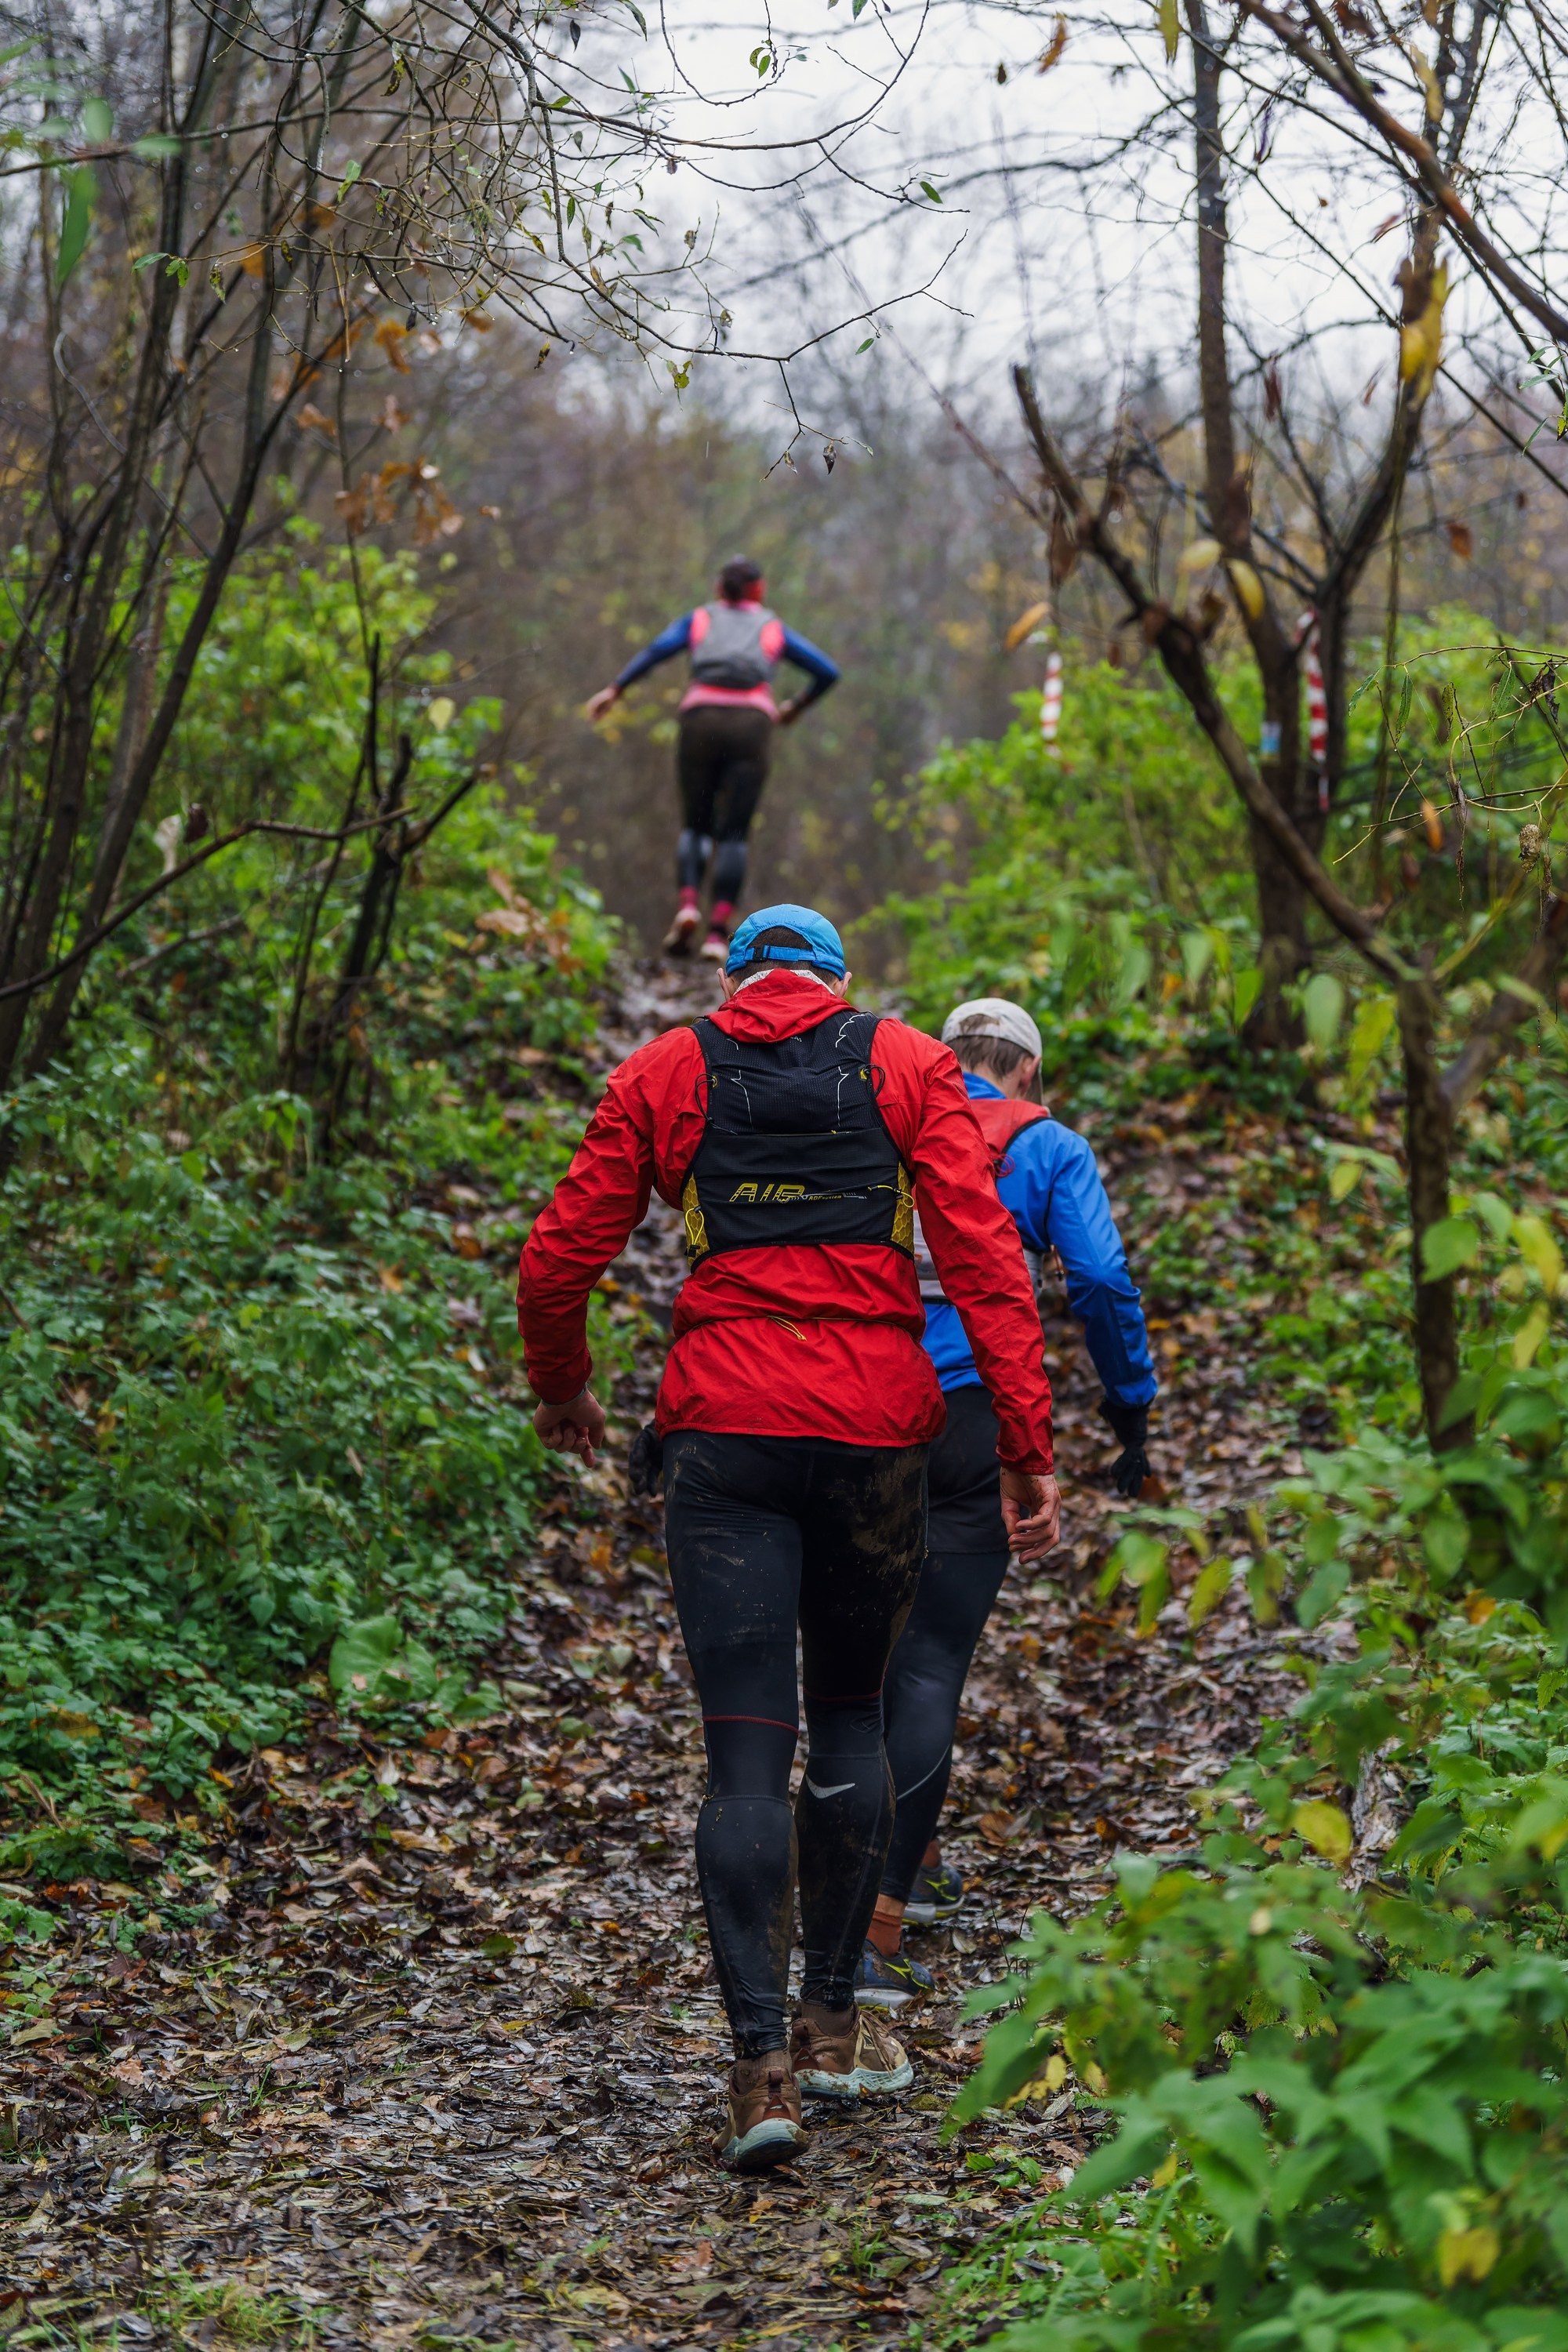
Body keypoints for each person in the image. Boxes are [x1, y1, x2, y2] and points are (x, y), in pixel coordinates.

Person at [516, 913, 1058, 2175]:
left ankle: (759, 2072)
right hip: (877, 1440)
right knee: (854, 1722)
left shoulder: (668, 1071)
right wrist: (1026, 1445)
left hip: (726, 1439)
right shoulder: (913, 1066)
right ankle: (828, 2023)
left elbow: (558, 1261)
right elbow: (986, 1268)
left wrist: (564, 1385)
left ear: (736, 977)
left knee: (745, 1756)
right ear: (837, 985)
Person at [857, 996, 1158, 2008]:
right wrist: (1131, 1409)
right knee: (934, 1659)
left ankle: (894, 1866)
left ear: (946, 1061)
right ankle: (881, 1919)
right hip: (977, 1416)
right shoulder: (1050, 1146)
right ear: (1029, 1071)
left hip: (855, 1402)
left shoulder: (888, 1118)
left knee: (866, 1652)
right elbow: (1104, 1283)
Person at [584, 559, 840, 964]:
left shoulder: (700, 618)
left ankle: (688, 906)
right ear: (759, 590)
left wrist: (616, 689)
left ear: (719, 588)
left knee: (696, 824)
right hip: (751, 724)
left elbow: (657, 651)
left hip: (700, 720)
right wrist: (794, 707)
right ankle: (717, 934)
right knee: (734, 833)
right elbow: (827, 671)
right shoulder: (771, 626)